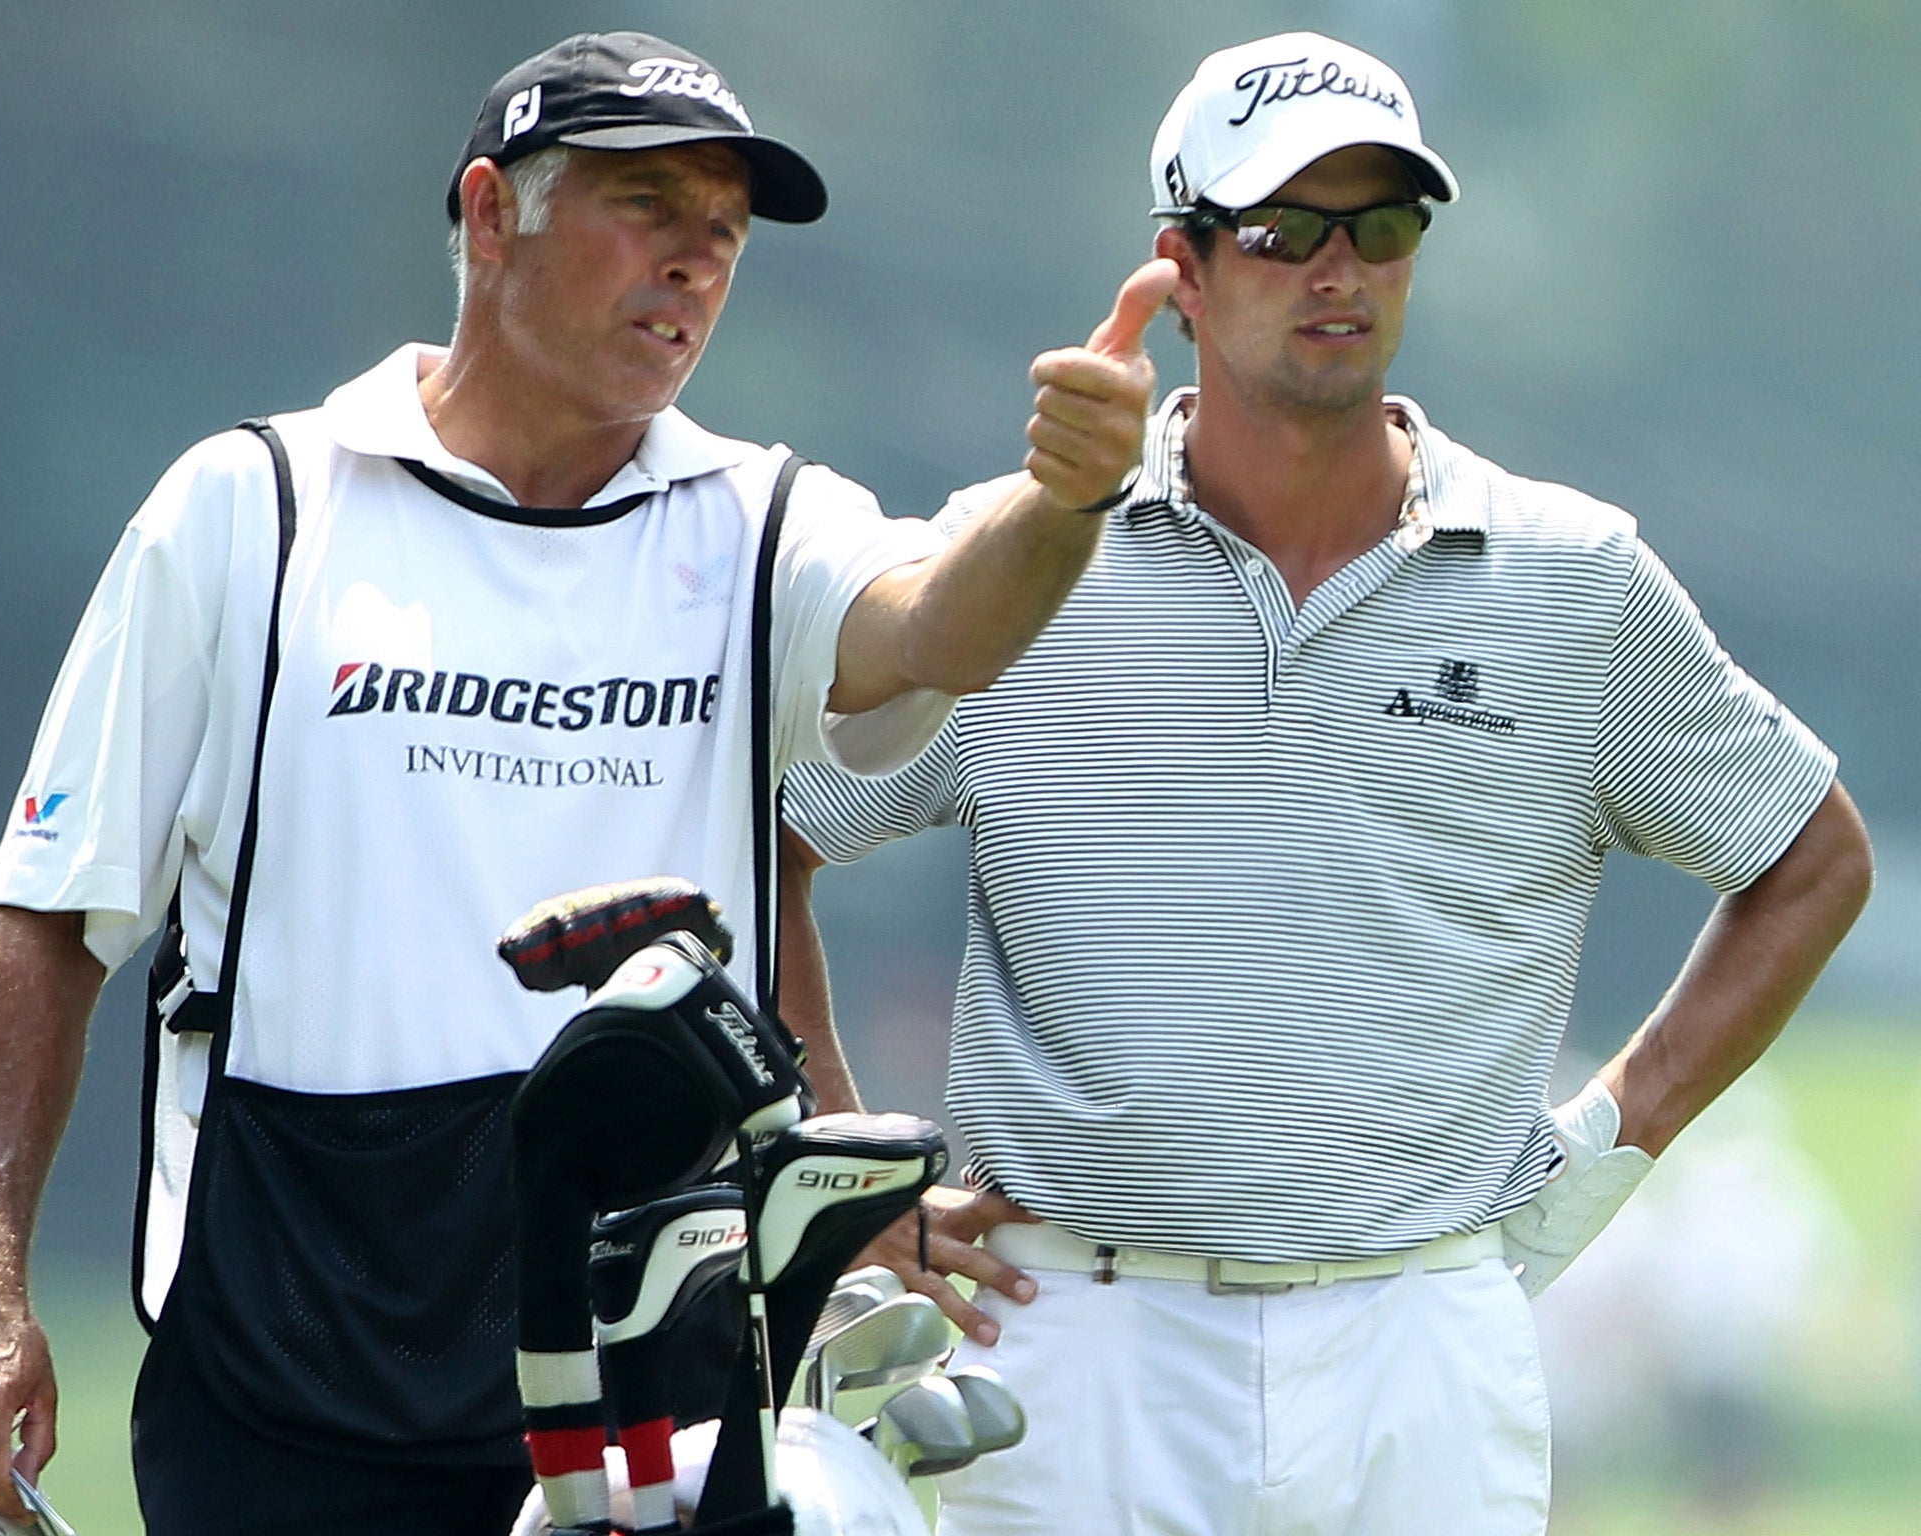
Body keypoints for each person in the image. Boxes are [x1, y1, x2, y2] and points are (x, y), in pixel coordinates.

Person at [0, 30, 1170, 1535]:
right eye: (651, 210)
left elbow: (940, 621)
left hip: (662, 1381)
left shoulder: (760, 522)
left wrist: (1067, 501)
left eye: (723, 235)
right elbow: (49, 919)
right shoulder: (255, 508)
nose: (694, 265)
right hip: (284, 1380)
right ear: (494, 214)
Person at [778, 30, 1873, 1536]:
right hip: (1077, 1341)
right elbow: (768, 833)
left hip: (1426, 1344)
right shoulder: (1022, 557)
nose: (1339, 271)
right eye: (1283, 231)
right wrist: (835, 1165)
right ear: (1184, 265)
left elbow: (1808, 860)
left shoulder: (1570, 577)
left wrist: (1602, 1153)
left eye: (1384, 226)